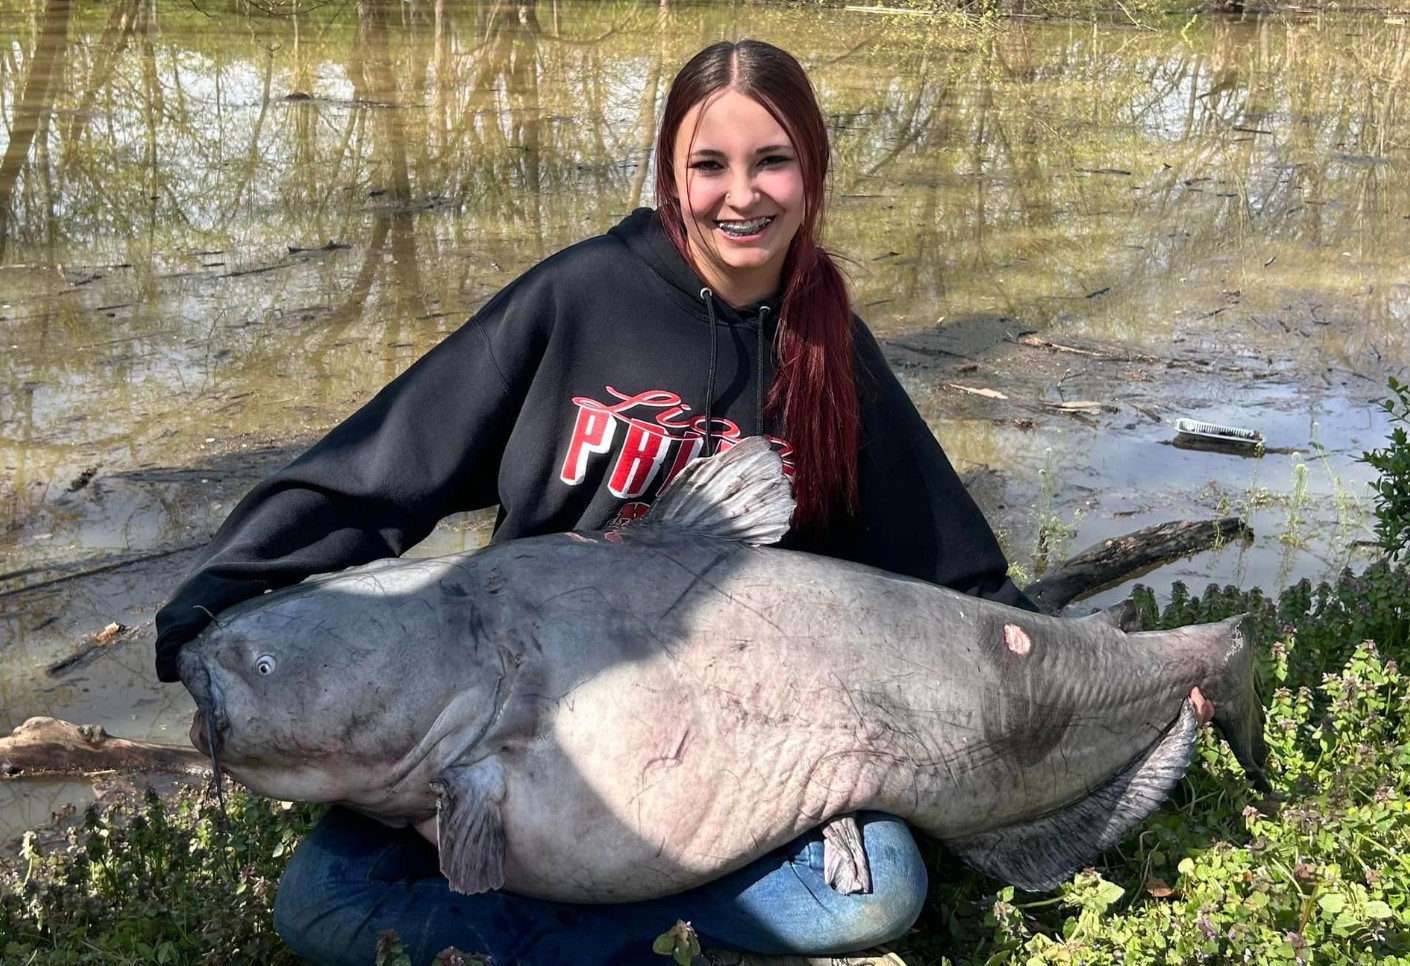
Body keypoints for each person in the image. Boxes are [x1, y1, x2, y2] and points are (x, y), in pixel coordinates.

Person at [153, 39, 1137, 966]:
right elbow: (388, 463)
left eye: (773, 162)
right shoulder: (577, 296)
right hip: (522, 730)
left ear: (814, 175)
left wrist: (1086, 669)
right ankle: (622, 927)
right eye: (710, 163)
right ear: (670, 171)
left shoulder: (829, 349)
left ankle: (540, 928)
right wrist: (225, 586)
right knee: (315, 907)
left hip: (739, 767)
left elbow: (947, 559)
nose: (740, 195)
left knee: (875, 898)